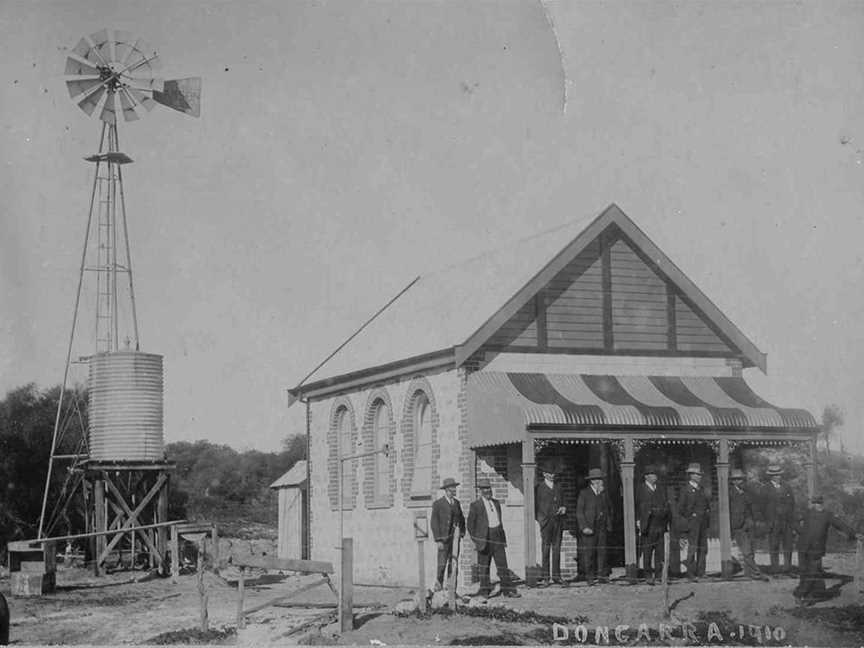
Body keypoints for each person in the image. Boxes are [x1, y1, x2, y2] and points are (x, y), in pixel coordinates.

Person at [794, 494, 863, 605]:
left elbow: (841, 525)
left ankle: (800, 594)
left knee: (812, 573)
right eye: (815, 503)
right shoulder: (807, 512)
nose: (817, 506)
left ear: (822, 503)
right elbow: (794, 521)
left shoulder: (827, 515)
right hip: (803, 547)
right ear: (813, 504)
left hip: (816, 548)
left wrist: (854, 534)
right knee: (804, 572)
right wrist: (800, 531)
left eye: (819, 503)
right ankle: (809, 595)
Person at [467, 478, 521, 598]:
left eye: (489, 488)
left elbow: (499, 522)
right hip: (484, 539)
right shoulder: (475, 505)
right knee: (484, 566)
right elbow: (470, 526)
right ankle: (485, 591)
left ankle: (507, 590)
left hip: (497, 537)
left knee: (502, 565)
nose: (487, 491)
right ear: (481, 491)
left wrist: (503, 539)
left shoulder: (496, 503)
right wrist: (477, 540)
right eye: (485, 489)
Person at [729, 469, 767, 581]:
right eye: (736, 479)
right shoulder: (730, 493)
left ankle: (749, 572)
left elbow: (752, 508)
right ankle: (756, 573)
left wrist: (752, 521)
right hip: (738, 526)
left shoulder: (747, 492)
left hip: (748, 525)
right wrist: (736, 524)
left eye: (740, 479)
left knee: (750, 550)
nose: (739, 481)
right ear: (732, 481)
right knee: (747, 551)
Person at [576, 468, 611, 585]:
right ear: (592, 481)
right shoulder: (584, 493)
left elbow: (609, 509)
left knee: (602, 552)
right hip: (589, 527)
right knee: (589, 553)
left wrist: (608, 524)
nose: (600, 482)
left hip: (601, 527)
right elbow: (579, 512)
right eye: (597, 480)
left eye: (600, 480)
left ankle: (601, 575)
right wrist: (584, 526)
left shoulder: (603, 493)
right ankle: (590, 577)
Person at [430, 477, 466, 592]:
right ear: (446, 489)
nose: (453, 490)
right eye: (451, 488)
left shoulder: (457, 503)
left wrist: (461, 533)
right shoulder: (438, 504)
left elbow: (461, 519)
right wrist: (438, 540)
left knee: (454, 562)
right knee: (442, 564)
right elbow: (434, 522)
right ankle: (438, 584)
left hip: (455, 539)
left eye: (454, 487)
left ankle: (451, 587)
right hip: (444, 539)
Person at [636, 465, 668, 585]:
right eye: (652, 474)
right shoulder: (641, 489)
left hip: (659, 524)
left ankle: (659, 575)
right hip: (647, 524)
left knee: (659, 551)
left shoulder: (659, 489)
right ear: (646, 476)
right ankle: (648, 575)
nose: (655, 477)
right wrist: (638, 520)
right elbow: (637, 507)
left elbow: (665, 503)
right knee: (648, 551)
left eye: (655, 474)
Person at [678, 463, 710, 581]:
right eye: (697, 474)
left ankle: (701, 572)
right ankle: (690, 574)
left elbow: (706, 505)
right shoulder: (685, 490)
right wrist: (689, 519)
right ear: (691, 475)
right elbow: (681, 509)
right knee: (692, 548)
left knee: (703, 548)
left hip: (702, 523)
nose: (699, 476)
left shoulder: (701, 489)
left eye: (700, 474)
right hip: (692, 524)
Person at [535, 466, 567, 586]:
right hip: (546, 523)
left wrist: (563, 508)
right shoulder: (539, 488)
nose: (552, 475)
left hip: (557, 521)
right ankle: (546, 577)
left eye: (553, 473)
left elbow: (564, 501)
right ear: (544, 474)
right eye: (549, 473)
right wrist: (541, 520)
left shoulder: (559, 487)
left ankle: (557, 576)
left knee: (557, 548)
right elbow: (535, 507)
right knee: (546, 548)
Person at [763, 464, 795, 575]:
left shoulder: (787, 487)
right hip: (773, 522)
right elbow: (762, 507)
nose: (778, 477)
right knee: (774, 546)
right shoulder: (765, 488)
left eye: (779, 474)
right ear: (770, 476)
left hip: (786, 522)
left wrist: (792, 520)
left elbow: (792, 504)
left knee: (788, 545)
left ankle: (787, 568)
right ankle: (775, 569)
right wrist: (768, 521)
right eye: (775, 475)